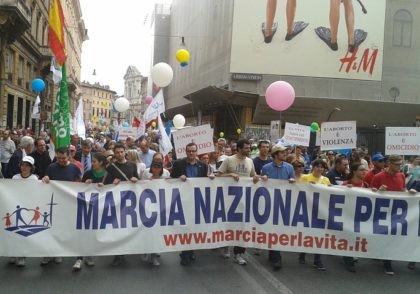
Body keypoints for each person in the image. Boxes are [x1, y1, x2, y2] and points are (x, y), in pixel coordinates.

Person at [371, 155, 416, 275]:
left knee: (393, 236)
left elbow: (403, 190)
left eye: (400, 164)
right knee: (385, 235)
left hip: (397, 212)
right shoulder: (378, 176)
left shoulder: (401, 175)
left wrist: (409, 192)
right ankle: (387, 262)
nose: (399, 166)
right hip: (382, 212)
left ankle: (386, 257)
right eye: (397, 164)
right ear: (389, 164)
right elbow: (369, 194)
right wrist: (379, 190)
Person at [218, 139, 259, 265]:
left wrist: (257, 178)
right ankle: (225, 245)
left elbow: (253, 176)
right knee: (228, 225)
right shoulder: (229, 160)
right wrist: (230, 174)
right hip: (229, 200)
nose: (248, 150)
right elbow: (219, 176)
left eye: (249, 148)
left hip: (244, 200)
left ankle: (238, 253)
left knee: (242, 227)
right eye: (246, 148)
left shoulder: (250, 161)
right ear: (239, 148)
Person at [170, 143, 212, 266]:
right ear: (185, 151)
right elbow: (171, 181)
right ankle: (185, 254)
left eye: (193, 151)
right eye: (189, 151)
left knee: (195, 228)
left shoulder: (203, 166)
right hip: (183, 200)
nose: (191, 153)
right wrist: (178, 177)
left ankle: (191, 250)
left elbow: (205, 181)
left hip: (197, 201)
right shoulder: (178, 164)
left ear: (196, 152)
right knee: (185, 228)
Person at [41, 147, 81, 266]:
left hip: (69, 204)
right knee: (52, 229)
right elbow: (46, 179)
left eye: (63, 158)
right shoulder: (51, 167)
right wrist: (45, 178)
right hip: (54, 204)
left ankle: (61, 251)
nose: (61, 160)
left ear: (69, 156)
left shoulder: (75, 168)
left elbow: (79, 184)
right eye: (59, 158)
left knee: (67, 229)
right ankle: (50, 253)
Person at [103, 143, 139, 266]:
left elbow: (137, 180)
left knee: (129, 225)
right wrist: (112, 182)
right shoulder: (110, 167)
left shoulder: (132, 165)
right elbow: (106, 185)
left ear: (125, 152)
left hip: (130, 201)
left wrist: (135, 180)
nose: (119, 154)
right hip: (116, 201)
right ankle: (119, 254)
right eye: (117, 152)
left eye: (121, 152)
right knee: (118, 227)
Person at [260, 145, 295, 271]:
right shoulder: (266, 168)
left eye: (285, 152)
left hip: (283, 203)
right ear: (275, 155)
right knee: (272, 229)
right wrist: (262, 179)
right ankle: (276, 255)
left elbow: (293, 182)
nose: (285, 154)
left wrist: (292, 180)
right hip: (269, 203)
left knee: (279, 229)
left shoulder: (289, 167)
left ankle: (275, 255)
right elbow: (260, 185)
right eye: (282, 152)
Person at [72, 153, 108, 271]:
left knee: (94, 232)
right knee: (84, 231)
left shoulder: (108, 174)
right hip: (87, 206)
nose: (92, 164)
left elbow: (114, 189)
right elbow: (80, 189)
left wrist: (106, 185)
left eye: (94, 162)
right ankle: (79, 258)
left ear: (101, 163)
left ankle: (89, 255)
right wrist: (85, 183)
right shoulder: (88, 173)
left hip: (102, 208)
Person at [299, 159, 330, 270]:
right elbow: (297, 190)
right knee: (307, 234)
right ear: (313, 167)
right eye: (318, 166)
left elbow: (332, 192)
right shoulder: (305, 177)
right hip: (307, 210)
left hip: (320, 211)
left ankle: (317, 260)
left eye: (322, 167)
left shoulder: (326, 180)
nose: (320, 169)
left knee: (319, 236)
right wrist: (308, 185)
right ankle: (302, 253)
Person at [8, 156, 38, 267]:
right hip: (13, 208)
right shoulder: (15, 178)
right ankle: (13, 253)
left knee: (23, 233)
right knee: (12, 231)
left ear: (31, 168)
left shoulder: (34, 179)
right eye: (23, 165)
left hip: (27, 209)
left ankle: (21, 255)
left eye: (27, 165)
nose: (24, 167)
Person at [340, 162, 369, 272]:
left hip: (360, 216)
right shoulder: (345, 184)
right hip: (347, 215)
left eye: (364, 170)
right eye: (361, 170)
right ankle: (348, 259)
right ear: (354, 171)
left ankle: (351, 255)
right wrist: (345, 190)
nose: (364, 172)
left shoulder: (366, 185)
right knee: (348, 236)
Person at [141, 160, 170, 266]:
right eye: (154, 167)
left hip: (161, 210)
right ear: (151, 168)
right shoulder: (146, 180)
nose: (156, 169)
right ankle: (145, 250)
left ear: (161, 168)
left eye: (158, 167)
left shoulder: (165, 179)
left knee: (156, 233)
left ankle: (153, 256)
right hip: (147, 209)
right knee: (147, 232)